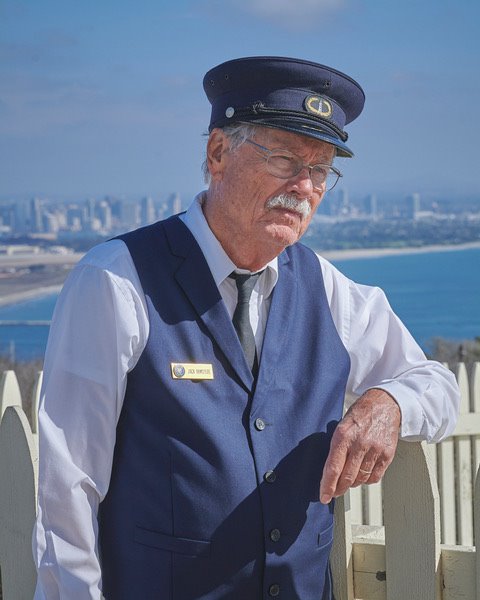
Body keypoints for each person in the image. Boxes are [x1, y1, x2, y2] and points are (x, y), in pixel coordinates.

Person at [33, 56, 459, 599]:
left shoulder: (329, 291)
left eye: (322, 168)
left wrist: (391, 403)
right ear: (217, 154)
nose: (304, 186)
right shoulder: (115, 281)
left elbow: (439, 386)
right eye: (284, 159)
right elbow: (67, 486)